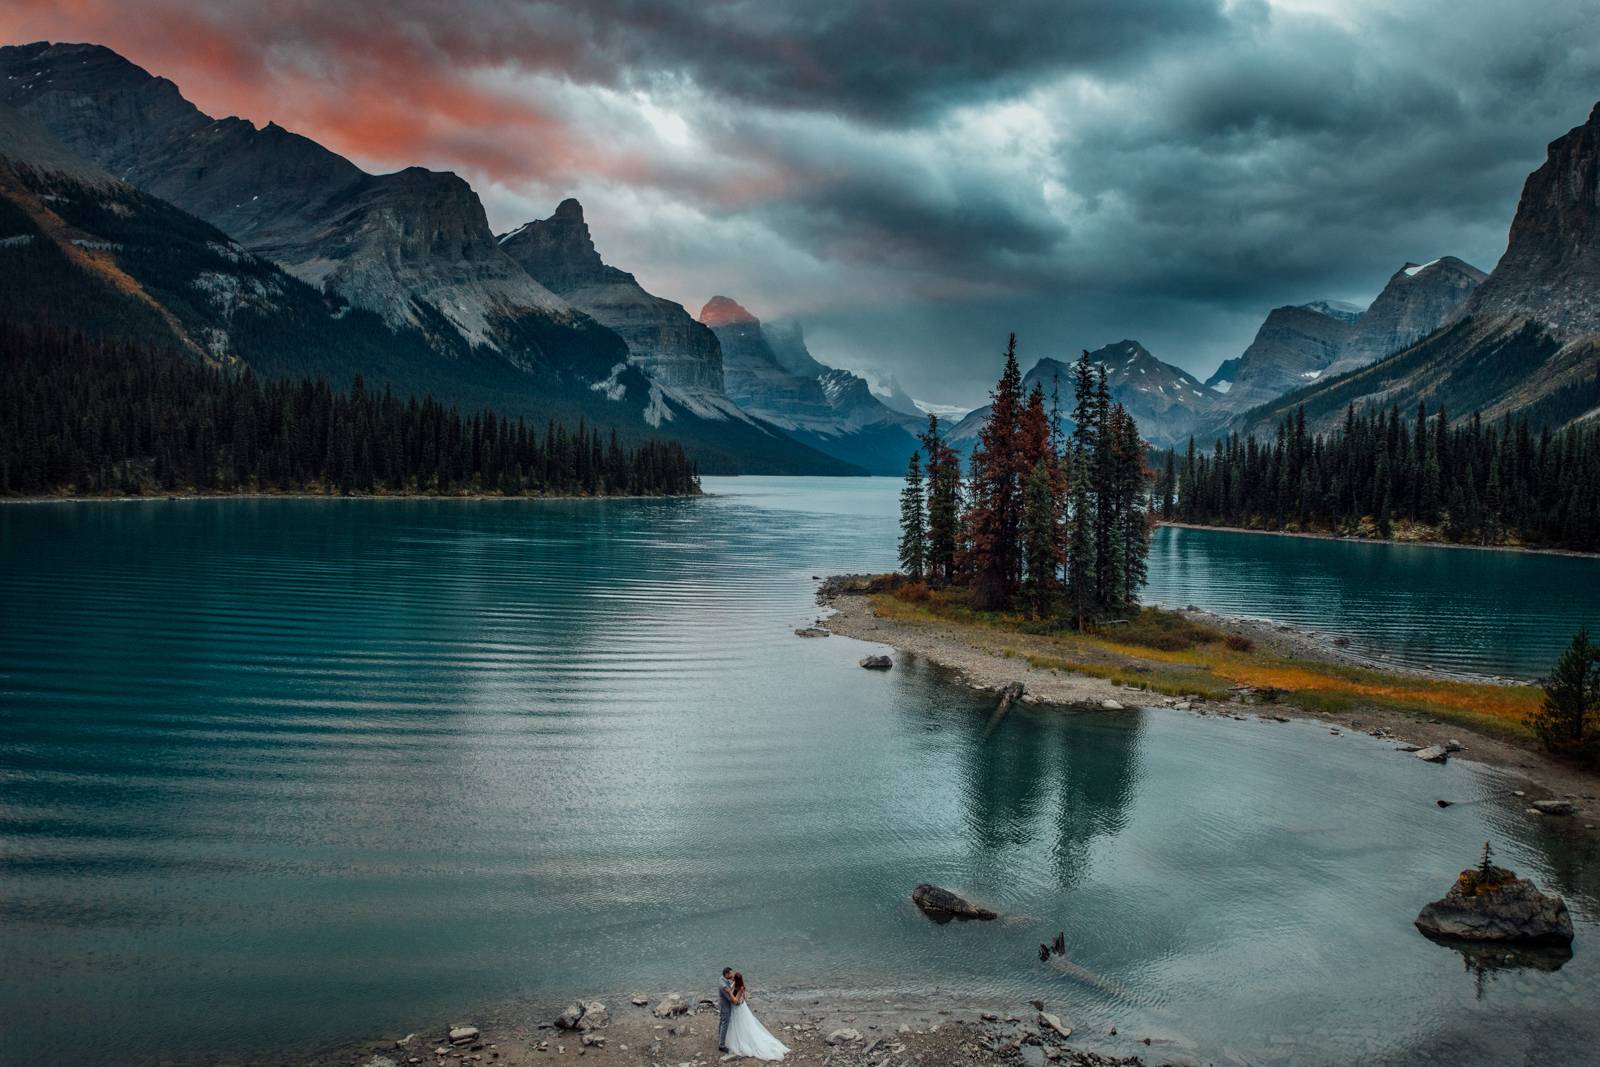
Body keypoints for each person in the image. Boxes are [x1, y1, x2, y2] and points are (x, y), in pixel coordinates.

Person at [721, 970, 789, 1061]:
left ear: (736, 979)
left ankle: (744, 1041)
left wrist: (729, 992)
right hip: (740, 1008)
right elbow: (742, 997)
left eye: (733, 977)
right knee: (741, 1024)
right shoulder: (737, 985)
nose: (731, 977)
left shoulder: (740, 988)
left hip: (738, 1009)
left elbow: (736, 1001)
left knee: (742, 1025)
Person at [717, 967, 735, 1052]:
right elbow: (730, 999)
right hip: (725, 1006)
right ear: (726, 974)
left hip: (722, 1004)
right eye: (731, 974)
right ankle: (721, 1045)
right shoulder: (724, 986)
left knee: (722, 1021)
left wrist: (734, 982)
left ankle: (720, 1036)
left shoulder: (722, 978)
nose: (732, 975)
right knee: (725, 1023)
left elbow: (729, 989)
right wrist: (737, 1001)